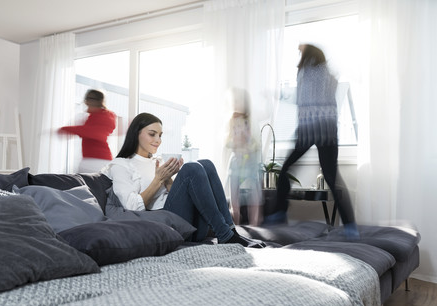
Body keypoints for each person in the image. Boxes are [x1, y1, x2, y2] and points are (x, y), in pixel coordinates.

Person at [102, 112, 265, 248]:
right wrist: (158, 179)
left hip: (188, 224)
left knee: (205, 164)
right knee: (191, 168)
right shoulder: (121, 165)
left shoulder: (156, 161)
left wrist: (169, 181)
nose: (158, 140)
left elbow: (174, 198)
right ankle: (225, 235)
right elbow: (131, 206)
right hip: (166, 228)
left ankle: (230, 231)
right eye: (152, 134)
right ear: (136, 133)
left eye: (160, 135)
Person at [270, 44, 360, 240]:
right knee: (331, 176)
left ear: (308, 54)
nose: (299, 55)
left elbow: (301, 97)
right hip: (327, 129)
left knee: (286, 169)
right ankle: (351, 225)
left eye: (301, 52)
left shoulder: (306, 72)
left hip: (309, 128)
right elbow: (312, 94)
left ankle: (279, 212)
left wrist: (280, 95)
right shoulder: (325, 73)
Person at [224, 88, 262, 226]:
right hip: (236, 159)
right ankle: (236, 217)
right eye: (233, 101)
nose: (235, 103)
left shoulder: (250, 121)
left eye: (238, 101)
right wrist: (234, 142)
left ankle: (255, 221)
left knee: (254, 192)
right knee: (233, 192)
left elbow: (255, 143)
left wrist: (247, 139)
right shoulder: (231, 120)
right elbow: (228, 141)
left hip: (249, 160)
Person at [59, 89, 116, 173]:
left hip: (97, 161)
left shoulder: (104, 116)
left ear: (97, 101)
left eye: (89, 98)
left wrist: (67, 129)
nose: (86, 101)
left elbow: (92, 132)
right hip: (91, 159)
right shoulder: (93, 116)